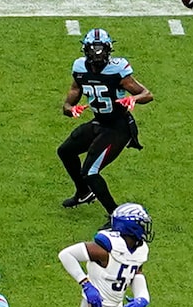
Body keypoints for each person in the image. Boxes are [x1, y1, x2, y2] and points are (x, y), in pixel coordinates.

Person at [57, 27, 147, 212]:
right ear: (86, 50)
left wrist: (134, 99)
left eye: (101, 50)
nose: (97, 54)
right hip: (100, 122)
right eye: (93, 50)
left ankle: (115, 214)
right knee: (65, 151)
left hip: (118, 127)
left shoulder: (117, 69)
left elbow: (146, 94)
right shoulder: (80, 68)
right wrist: (69, 108)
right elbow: (74, 92)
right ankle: (83, 193)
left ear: (108, 50)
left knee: (90, 172)